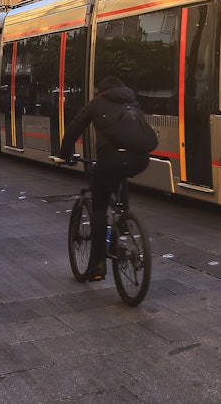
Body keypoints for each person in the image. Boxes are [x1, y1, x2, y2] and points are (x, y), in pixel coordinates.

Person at [52, 76, 152, 281]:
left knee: (98, 209)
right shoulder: (132, 102)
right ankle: (124, 221)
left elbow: (73, 129)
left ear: (102, 91)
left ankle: (97, 265)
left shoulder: (97, 103)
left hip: (110, 160)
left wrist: (64, 154)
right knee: (121, 173)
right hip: (140, 159)